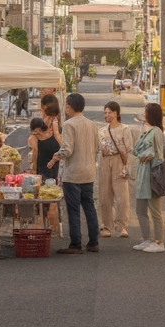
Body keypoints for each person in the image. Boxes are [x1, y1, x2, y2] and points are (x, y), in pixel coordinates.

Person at [49, 92, 100, 254]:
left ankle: (76, 244)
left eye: (67, 106)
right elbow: (97, 147)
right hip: (89, 172)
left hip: (73, 173)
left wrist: (56, 157)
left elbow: (67, 149)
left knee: (73, 210)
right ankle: (93, 242)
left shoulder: (70, 125)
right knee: (89, 207)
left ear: (70, 107)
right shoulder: (92, 125)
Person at [96, 100, 137, 238]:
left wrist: (127, 166)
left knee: (122, 196)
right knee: (104, 196)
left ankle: (122, 225)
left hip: (119, 161)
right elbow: (98, 148)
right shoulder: (101, 131)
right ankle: (106, 226)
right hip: (104, 162)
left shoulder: (124, 129)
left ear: (116, 113)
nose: (106, 115)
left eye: (109, 112)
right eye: (105, 113)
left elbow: (129, 149)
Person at [132, 102, 165, 253]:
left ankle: (159, 241)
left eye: (145, 111)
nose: (143, 113)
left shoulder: (156, 131)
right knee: (140, 209)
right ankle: (147, 239)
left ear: (150, 114)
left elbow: (159, 155)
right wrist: (143, 155)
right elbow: (136, 150)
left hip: (152, 175)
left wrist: (148, 156)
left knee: (155, 210)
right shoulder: (146, 130)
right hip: (142, 173)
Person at [27, 117, 60, 182]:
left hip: (55, 165)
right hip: (42, 167)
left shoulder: (53, 134)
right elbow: (34, 154)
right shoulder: (33, 138)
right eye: (35, 131)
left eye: (40, 130)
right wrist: (34, 169)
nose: (39, 133)